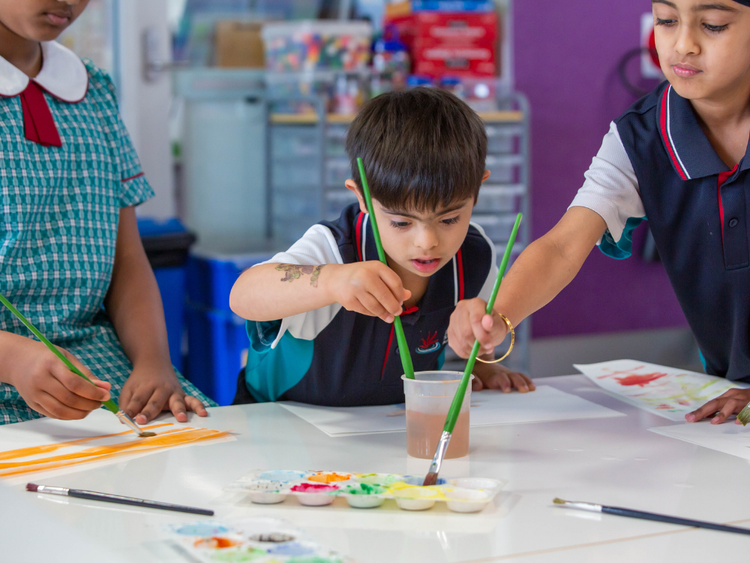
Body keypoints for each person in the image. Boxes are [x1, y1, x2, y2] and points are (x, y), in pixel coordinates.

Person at [448, 0, 750, 425]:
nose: (683, 44)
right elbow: (562, 246)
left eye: (714, 25)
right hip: (730, 393)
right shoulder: (640, 136)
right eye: (666, 20)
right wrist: (499, 317)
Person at [229, 87, 534, 406]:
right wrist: (333, 281)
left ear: (477, 189)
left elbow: (477, 338)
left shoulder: (474, 256)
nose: (427, 242)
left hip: (388, 427)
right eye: (401, 222)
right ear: (361, 197)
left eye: (449, 219)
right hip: (281, 421)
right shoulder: (334, 248)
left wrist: (484, 362)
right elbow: (243, 294)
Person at [0, 0, 211, 424]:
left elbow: (127, 261)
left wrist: (153, 363)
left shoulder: (94, 91)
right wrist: (10, 359)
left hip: (100, 371)